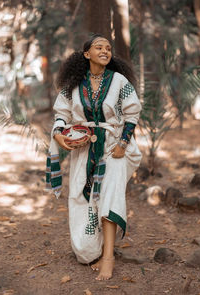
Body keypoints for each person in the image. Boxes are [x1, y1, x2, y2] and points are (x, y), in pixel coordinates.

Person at [46, 34, 142, 280]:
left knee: (109, 195)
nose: (105, 51)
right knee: (82, 200)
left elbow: (132, 112)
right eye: (99, 47)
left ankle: (108, 257)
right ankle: (94, 250)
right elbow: (61, 113)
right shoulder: (74, 84)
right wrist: (58, 135)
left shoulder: (119, 81)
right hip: (84, 150)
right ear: (86, 54)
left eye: (109, 48)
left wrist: (123, 143)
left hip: (113, 148)